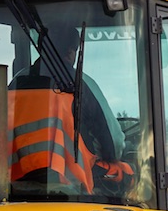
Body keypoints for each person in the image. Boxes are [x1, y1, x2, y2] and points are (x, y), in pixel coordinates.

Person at [9, 22, 129, 194]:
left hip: (16, 184)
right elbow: (114, 143)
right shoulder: (81, 84)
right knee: (126, 171)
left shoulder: (16, 83)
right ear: (71, 52)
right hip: (73, 186)